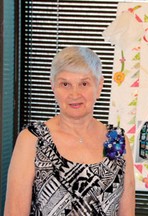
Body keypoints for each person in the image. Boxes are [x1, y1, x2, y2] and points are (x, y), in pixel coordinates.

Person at [4, 46, 135, 215]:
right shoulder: (33, 139)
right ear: (53, 86)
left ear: (99, 86)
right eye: (65, 84)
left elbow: (127, 211)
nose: (75, 94)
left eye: (84, 83)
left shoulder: (115, 139)